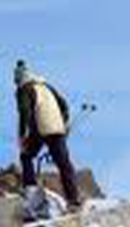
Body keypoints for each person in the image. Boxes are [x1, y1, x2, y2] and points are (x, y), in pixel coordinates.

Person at [14, 60, 80, 210]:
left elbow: (25, 112)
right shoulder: (45, 85)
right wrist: (63, 122)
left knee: (26, 155)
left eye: (16, 80)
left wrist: (22, 135)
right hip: (57, 128)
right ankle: (73, 199)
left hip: (39, 128)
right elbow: (64, 105)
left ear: (19, 78)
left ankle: (30, 190)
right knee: (64, 164)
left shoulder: (25, 89)